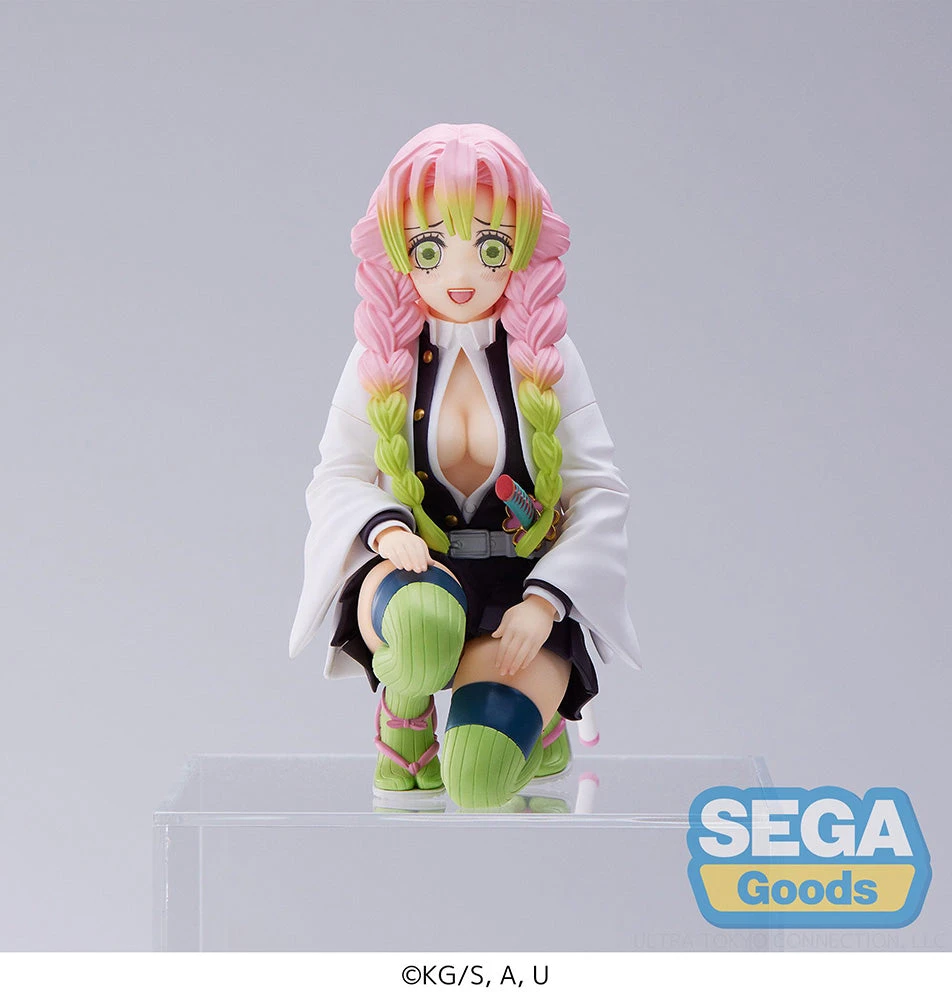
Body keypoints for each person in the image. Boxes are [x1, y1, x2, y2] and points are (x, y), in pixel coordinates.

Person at [290, 123, 640, 808]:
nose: (460, 276)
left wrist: (546, 600)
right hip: (416, 578)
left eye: (489, 247)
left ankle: (536, 720)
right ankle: (405, 717)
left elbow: (597, 490)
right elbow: (336, 476)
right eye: (429, 249)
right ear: (398, 249)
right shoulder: (379, 357)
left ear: (524, 244)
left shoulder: (547, 357)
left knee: (479, 778)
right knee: (423, 624)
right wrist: (387, 529)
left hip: (522, 590)